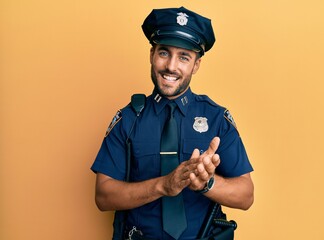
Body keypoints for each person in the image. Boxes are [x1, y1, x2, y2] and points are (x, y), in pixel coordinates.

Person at [91, 6, 254, 240]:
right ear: (152, 54)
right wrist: (164, 185)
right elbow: (103, 196)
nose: (171, 66)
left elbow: (246, 196)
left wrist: (206, 183)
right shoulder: (128, 119)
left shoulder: (217, 119)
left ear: (196, 65)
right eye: (164, 52)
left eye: (184, 57)